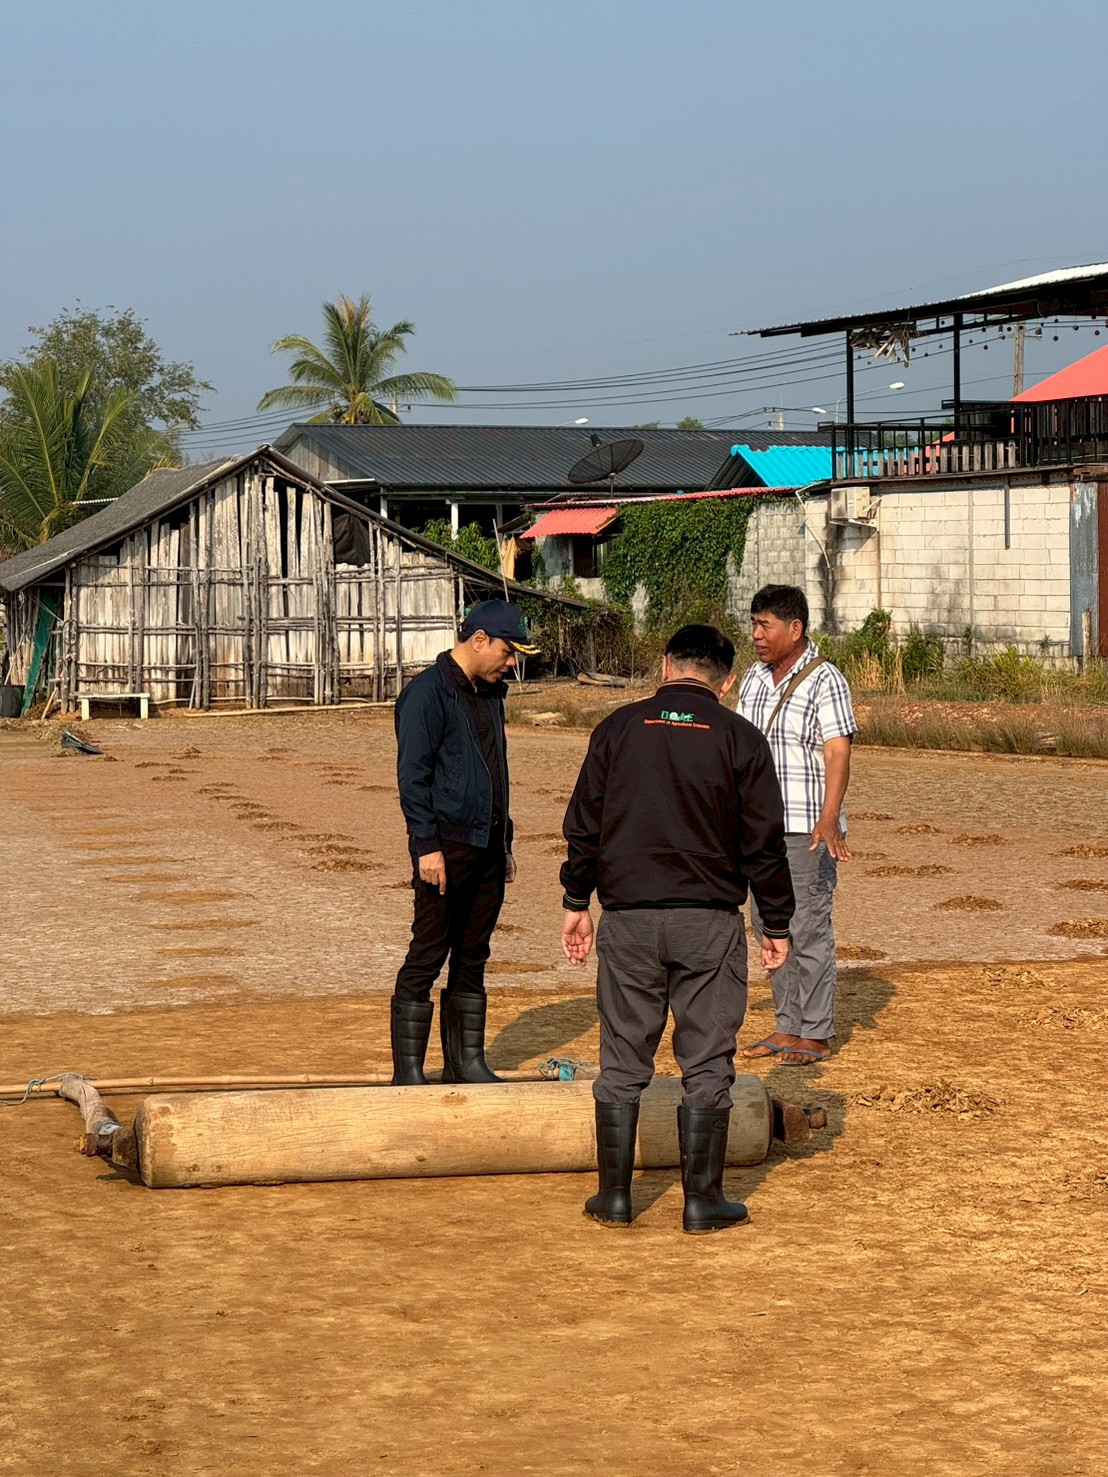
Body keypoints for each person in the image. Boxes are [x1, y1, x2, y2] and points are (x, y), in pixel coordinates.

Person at [560, 624, 794, 1234]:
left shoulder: (616, 729)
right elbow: (763, 843)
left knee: (622, 1054)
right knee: (708, 1057)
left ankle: (614, 1197)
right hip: (708, 923)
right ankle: (702, 1200)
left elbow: (584, 821)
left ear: (665, 667)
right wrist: (776, 922)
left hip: (629, 920)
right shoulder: (741, 738)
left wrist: (575, 899)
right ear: (728, 680)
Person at [391, 599, 539, 1086]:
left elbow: (497, 772)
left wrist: (505, 841)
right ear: (479, 640)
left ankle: (465, 1063)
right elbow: (413, 778)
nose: (512, 663)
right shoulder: (427, 695)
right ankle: (409, 1071)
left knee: (474, 954)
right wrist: (425, 845)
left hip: (488, 847)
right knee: (428, 954)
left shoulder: (492, 694)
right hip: (445, 850)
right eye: (508, 651)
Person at [738, 584, 857, 1067]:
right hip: (758, 830)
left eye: (765, 625)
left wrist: (829, 817)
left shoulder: (826, 679)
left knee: (807, 927)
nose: (756, 635)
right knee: (768, 926)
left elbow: (838, 750)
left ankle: (816, 1032)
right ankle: (787, 1025)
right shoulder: (752, 678)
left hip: (806, 828)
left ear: (795, 629)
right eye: (753, 624)